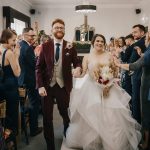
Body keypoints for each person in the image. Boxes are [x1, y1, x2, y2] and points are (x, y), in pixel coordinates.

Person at [61, 34, 141, 150]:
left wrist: (108, 85)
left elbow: (114, 72)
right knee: (92, 116)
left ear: (104, 44)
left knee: (110, 116)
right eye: (97, 41)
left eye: (102, 41)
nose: (99, 43)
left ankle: (110, 142)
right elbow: (84, 73)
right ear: (93, 43)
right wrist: (76, 72)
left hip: (108, 89)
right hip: (91, 88)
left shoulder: (109, 55)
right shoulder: (87, 57)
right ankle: (93, 141)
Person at [36, 18, 81, 150]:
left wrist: (78, 67)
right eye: (56, 27)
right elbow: (38, 68)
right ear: (52, 30)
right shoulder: (45, 46)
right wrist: (40, 85)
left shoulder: (70, 46)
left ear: (64, 30)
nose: (59, 29)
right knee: (47, 118)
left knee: (66, 115)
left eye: (61, 27)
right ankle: (50, 146)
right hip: (47, 88)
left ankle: (68, 138)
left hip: (63, 87)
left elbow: (77, 61)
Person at [114, 31, 150, 150]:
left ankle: (146, 143)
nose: (145, 38)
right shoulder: (147, 51)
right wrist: (141, 54)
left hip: (147, 85)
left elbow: (134, 66)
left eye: (147, 35)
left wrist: (118, 65)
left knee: (146, 111)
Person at [18, 27, 42, 137]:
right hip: (30, 79)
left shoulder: (22, 45)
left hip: (23, 78)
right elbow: (34, 65)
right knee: (35, 103)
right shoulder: (26, 48)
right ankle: (33, 129)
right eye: (30, 35)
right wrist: (38, 58)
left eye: (33, 35)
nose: (33, 38)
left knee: (31, 103)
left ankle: (27, 126)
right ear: (24, 35)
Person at [0, 29, 20, 135]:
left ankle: (4, 134)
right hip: (11, 86)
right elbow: (17, 73)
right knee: (12, 112)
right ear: (7, 39)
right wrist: (16, 56)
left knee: (4, 113)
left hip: (2, 85)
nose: (15, 42)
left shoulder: (1, 50)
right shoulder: (9, 53)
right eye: (13, 40)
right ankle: (12, 136)